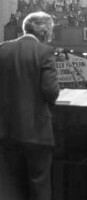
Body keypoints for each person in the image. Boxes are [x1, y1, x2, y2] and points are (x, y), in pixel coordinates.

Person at [0, 11, 59, 200]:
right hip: (37, 133)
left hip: (6, 131)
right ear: (45, 32)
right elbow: (51, 92)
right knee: (38, 187)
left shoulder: (2, 49)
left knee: (9, 186)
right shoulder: (44, 52)